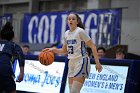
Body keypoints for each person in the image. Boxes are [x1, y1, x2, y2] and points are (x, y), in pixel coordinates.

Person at [45, 13, 102, 93]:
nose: (71, 20)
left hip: (81, 61)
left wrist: (97, 63)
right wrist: (52, 49)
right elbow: (63, 51)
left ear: (77, 21)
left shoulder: (80, 31)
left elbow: (93, 46)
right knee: (71, 91)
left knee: (74, 91)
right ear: (67, 21)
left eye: (73, 19)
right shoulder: (66, 33)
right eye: (69, 19)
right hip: (71, 62)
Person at [0, 22, 25, 93]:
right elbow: (21, 58)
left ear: (0, 37)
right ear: (12, 38)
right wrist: (21, 73)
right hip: (5, 70)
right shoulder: (13, 45)